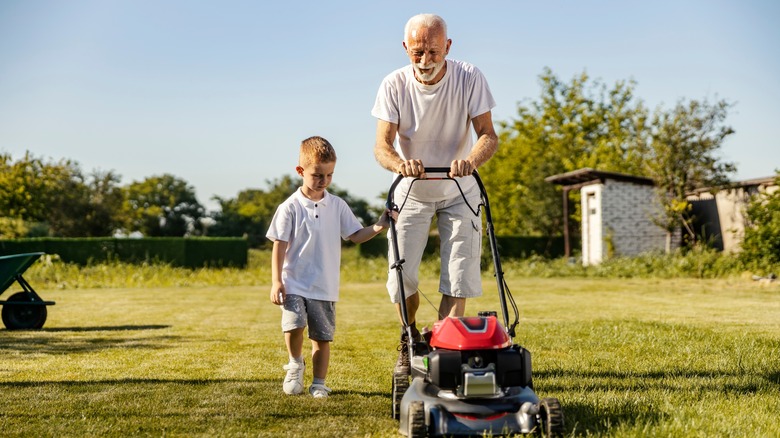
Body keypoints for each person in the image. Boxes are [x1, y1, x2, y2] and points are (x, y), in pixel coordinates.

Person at [371, 13, 499, 375]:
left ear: (447, 46)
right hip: (412, 188)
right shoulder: (393, 85)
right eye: (416, 53)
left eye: (432, 51)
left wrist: (470, 161)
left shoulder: (470, 77)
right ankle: (410, 338)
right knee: (401, 276)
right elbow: (381, 145)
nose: (425, 61)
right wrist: (400, 164)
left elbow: (488, 133)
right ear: (405, 49)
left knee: (459, 273)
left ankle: (446, 349)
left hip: (460, 188)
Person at [267, 136, 395, 398]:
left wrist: (380, 225)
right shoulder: (289, 207)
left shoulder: (337, 205)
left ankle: (319, 383)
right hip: (294, 282)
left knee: (322, 338)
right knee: (293, 325)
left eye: (329, 174)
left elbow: (356, 235)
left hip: (324, 285)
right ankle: (294, 364)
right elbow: (279, 245)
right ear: (300, 171)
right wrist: (277, 281)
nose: (323, 180)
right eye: (317, 174)